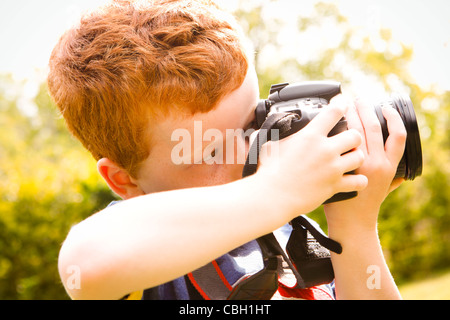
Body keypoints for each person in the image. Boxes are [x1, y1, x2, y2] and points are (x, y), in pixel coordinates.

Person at [48, 0, 406, 300]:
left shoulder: (292, 234)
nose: (250, 151)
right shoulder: (146, 263)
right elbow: (82, 264)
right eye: (211, 153)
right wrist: (275, 192)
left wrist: (353, 227)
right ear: (125, 181)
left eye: (255, 123)